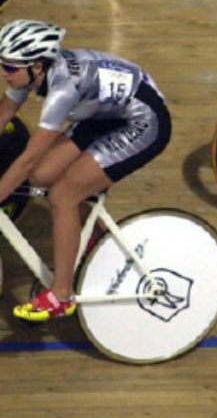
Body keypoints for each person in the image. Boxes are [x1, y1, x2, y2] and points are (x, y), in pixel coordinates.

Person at [0, 20, 171, 322]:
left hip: (143, 123)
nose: (3, 73)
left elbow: (27, 157)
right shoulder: (27, 75)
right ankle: (95, 237)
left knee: (62, 196)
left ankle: (61, 295)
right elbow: (3, 117)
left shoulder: (62, 90)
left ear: (36, 67)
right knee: (41, 175)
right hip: (103, 113)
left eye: (9, 67)